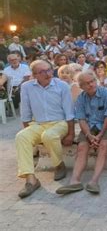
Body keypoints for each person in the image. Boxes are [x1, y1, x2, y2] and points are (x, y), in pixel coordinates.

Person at [15, 60, 74, 198]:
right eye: (42, 72)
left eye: (49, 70)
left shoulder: (62, 85)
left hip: (60, 123)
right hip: (38, 124)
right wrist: (29, 135)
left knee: (48, 135)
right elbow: (25, 114)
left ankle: (59, 165)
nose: (48, 74)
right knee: (21, 136)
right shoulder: (26, 87)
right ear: (35, 75)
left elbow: (69, 112)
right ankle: (31, 180)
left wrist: (71, 133)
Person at [56, 70, 107, 195]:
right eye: (87, 83)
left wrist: (100, 135)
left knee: (103, 145)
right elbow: (81, 119)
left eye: (92, 81)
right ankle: (74, 181)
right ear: (81, 86)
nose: (91, 85)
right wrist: (89, 135)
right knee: (82, 147)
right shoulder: (81, 98)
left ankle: (94, 181)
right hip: (89, 126)